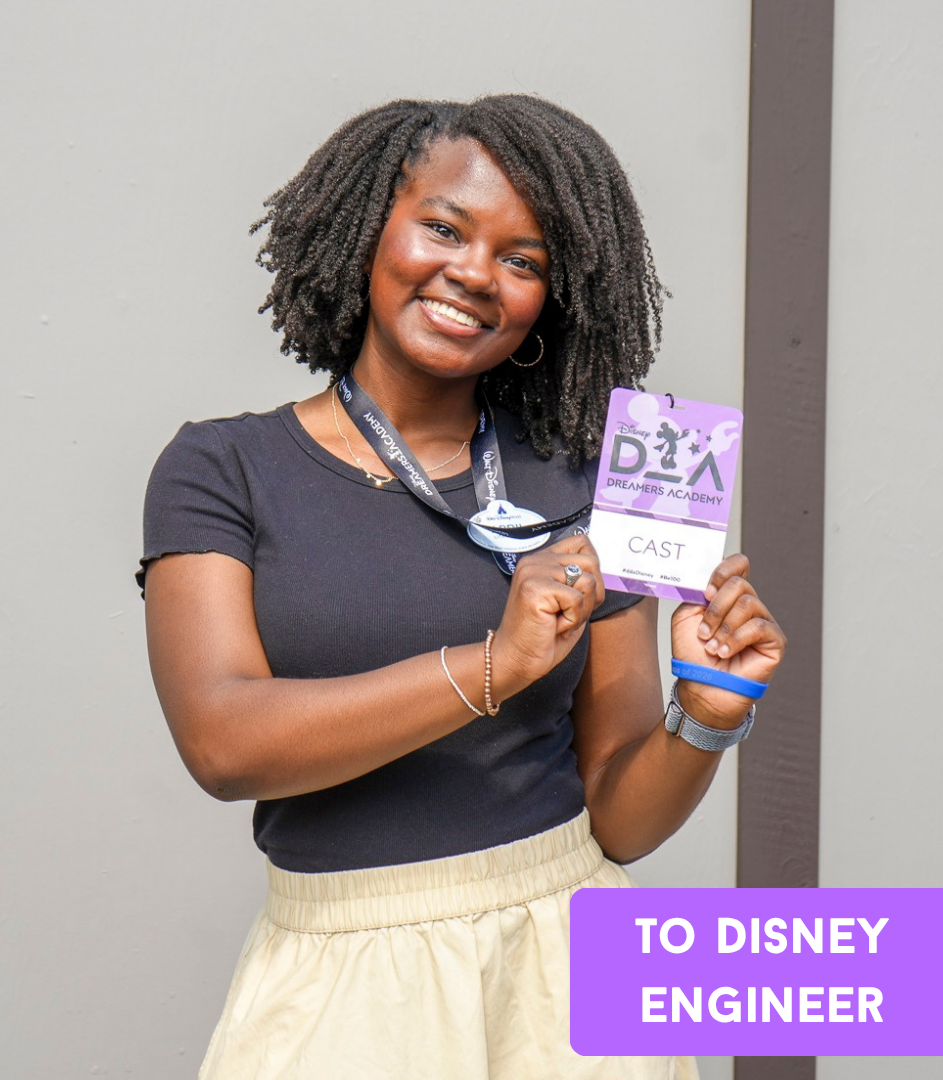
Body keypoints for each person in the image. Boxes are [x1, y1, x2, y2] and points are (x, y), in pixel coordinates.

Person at [138, 95, 786, 1078]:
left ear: (546, 303)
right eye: (444, 228)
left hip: (569, 962)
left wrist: (705, 715)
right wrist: (497, 663)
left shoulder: (591, 477)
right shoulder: (222, 469)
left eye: (523, 260)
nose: (477, 273)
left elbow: (620, 822)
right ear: (370, 228)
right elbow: (223, 744)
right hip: (346, 970)